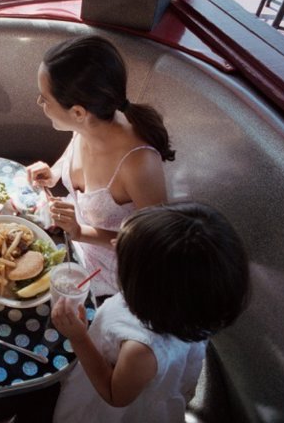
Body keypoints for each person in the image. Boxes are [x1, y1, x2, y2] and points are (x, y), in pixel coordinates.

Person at [48, 202, 250, 423]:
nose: (114, 244)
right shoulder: (190, 309)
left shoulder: (141, 350)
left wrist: (79, 338)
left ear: (147, 287)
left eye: (123, 253)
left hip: (108, 411)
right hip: (154, 386)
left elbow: (115, 395)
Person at [27, 36, 175, 299]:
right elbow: (72, 157)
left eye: (44, 99)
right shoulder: (89, 125)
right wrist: (54, 174)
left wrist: (79, 231)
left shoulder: (139, 164)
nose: (40, 105)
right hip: (71, 248)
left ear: (78, 112)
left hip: (110, 280)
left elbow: (153, 247)